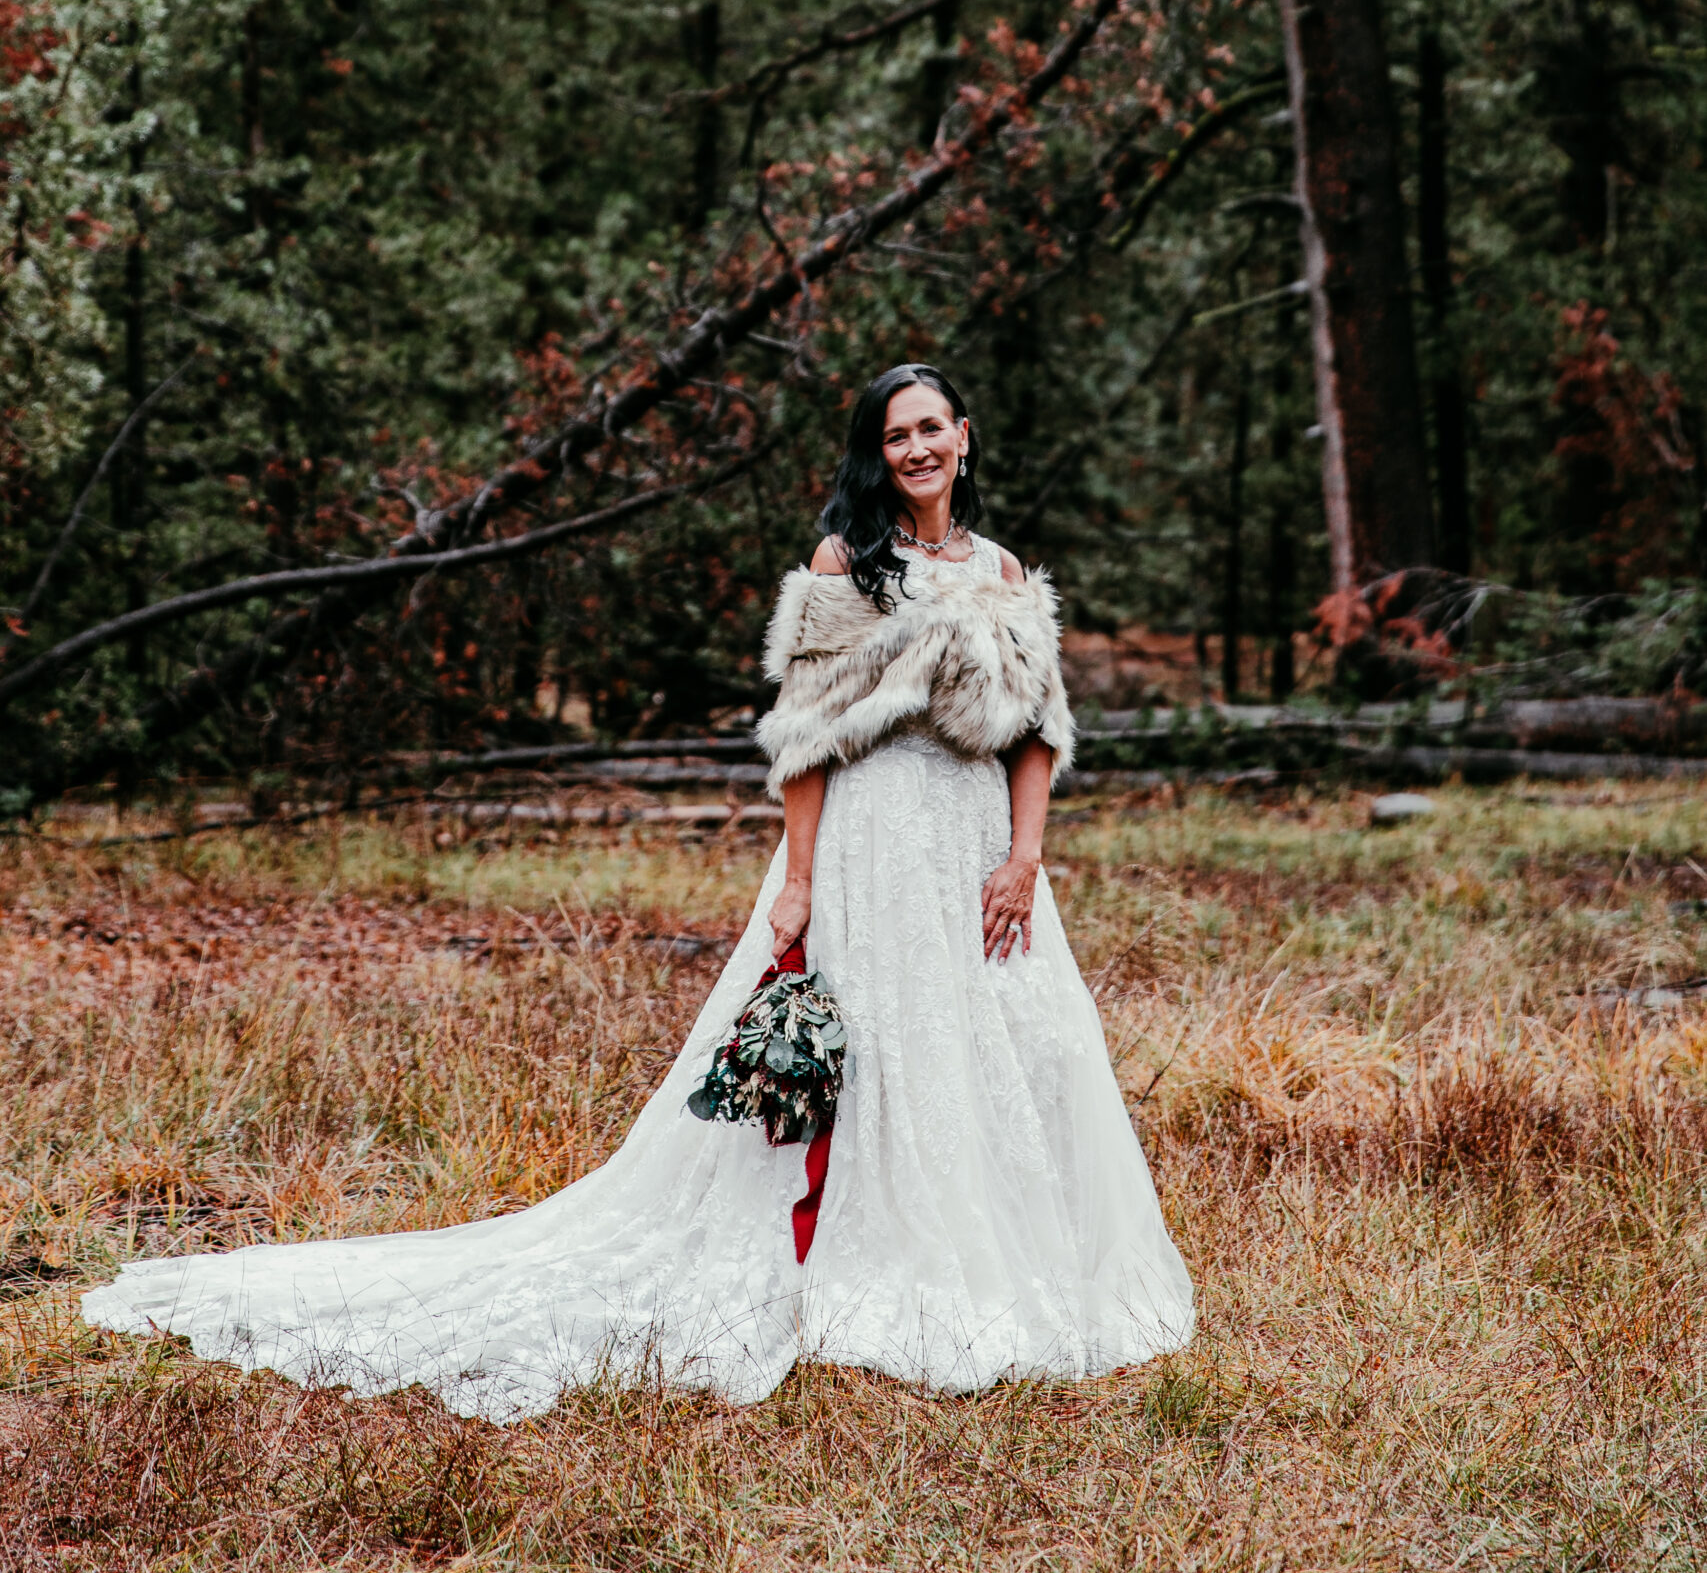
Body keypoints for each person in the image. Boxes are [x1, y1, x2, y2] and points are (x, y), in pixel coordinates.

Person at [83, 364, 1194, 1411]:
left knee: (1014, 1044)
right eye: (894, 434)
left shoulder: (1003, 574)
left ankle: (1022, 1258)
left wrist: (1023, 855)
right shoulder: (844, 566)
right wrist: (799, 884)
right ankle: (880, 1256)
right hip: (874, 838)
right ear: (877, 452)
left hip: (980, 847)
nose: (915, 447)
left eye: (930, 428)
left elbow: (1039, 732)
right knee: (895, 1045)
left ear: (965, 437)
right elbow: (804, 744)